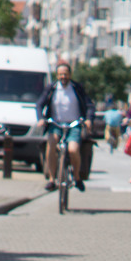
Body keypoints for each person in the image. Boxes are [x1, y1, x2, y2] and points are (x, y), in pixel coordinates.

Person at [35, 60, 93, 192]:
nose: (63, 77)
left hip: (74, 124)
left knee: (73, 150)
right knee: (51, 143)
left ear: (70, 75)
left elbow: (89, 105)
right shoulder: (52, 88)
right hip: (56, 124)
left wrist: (89, 119)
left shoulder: (77, 88)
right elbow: (39, 104)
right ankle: (51, 179)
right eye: (60, 74)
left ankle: (77, 177)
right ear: (57, 75)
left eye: (65, 74)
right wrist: (41, 119)